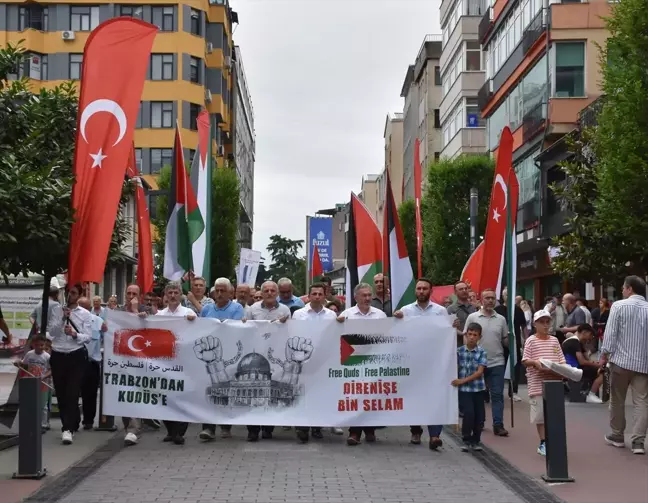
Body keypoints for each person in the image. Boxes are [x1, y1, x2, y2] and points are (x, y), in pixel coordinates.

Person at [394, 278, 447, 450]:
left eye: (425, 288)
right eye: (419, 288)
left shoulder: (440, 311)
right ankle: (415, 430)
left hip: (434, 362)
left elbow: (447, 334)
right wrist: (396, 320)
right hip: (413, 361)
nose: (422, 291)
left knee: (435, 397)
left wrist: (452, 326)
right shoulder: (405, 310)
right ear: (415, 291)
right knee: (415, 397)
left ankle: (434, 435)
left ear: (431, 291)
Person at [600, 275, 648, 455]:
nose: (622, 290)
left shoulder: (619, 306)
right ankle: (638, 442)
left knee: (617, 399)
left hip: (620, 361)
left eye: (623, 288)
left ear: (629, 289)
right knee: (642, 401)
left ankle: (617, 435)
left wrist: (604, 355)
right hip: (643, 363)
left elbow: (610, 333)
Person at [337, 283, 387, 446]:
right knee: (357, 396)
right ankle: (354, 432)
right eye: (363, 295)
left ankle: (370, 429)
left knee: (371, 395)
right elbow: (338, 337)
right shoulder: (347, 315)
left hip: (374, 361)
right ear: (355, 297)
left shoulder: (380, 315)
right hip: (354, 362)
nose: (367, 298)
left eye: (369, 295)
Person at [245, 281, 291, 442]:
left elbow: (289, 331)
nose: (270, 293)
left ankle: (268, 428)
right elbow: (246, 329)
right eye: (267, 290)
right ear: (262, 293)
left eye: (273, 290)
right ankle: (252, 429)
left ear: (277, 293)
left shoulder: (285, 310)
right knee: (254, 392)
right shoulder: (252, 309)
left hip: (276, 354)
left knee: (271, 391)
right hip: (256, 354)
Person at [199, 278, 244, 441]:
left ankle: (225, 425)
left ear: (230, 292)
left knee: (225, 390)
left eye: (222, 291)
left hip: (229, 353)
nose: (219, 294)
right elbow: (200, 327)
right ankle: (208, 428)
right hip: (210, 355)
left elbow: (235, 326)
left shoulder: (237, 308)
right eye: (216, 290)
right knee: (208, 391)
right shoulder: (206, 309)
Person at [49, 283, 92, 445]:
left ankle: (67, 429)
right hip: (59, 354)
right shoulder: (56, 310)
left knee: (72, 392)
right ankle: (69, 422)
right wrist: (62, 319)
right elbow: (52, 332)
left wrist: (74, 334)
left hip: (76, 355)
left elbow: (87, 336)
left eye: (73, 293)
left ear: (79, 295)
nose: (70, 295)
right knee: (60, 392)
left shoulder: (85, 314)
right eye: (68, 292)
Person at [293, 283, 337, 443]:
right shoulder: (299, 314)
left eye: (320, 294)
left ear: (324, 296)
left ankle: (317, 426)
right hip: (304, 361)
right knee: (304, 394)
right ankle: (302, 428)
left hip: (323, 361)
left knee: (319, 394)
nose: (317, 297)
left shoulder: (331, 316)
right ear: (309, 295)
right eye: (314, 294)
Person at [155, 281, 196, 445]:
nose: (172, 296)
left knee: (182, 396)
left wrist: (193, 322)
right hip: (165, 362)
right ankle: (171, 431)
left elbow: (197, 333)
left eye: (175, 293)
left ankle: (180, 432)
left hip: (183, 362)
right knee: (166, 396)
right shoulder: (159, 316)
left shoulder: (189, 313)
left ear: (180, 295)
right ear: (166, 295)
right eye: (170, 293)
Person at [464, 288, 509, 437]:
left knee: (497, 394)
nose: (490, 300)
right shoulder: (473, 317)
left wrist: (513, 340)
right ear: (481, 300)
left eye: (492, 298)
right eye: (487, 298)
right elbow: (467, 337)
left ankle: (498, 424)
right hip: (477, 362)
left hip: (497, 361)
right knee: (479, 395)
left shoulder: (501, 319)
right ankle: (480, 421)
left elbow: (505, 340)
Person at [522, 309, 566, 456]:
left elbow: (561, 360)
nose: (545, 325)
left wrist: (561, 369)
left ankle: (554, 441)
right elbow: (525, 360)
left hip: (554, 382)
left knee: (554, 415)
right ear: (535, 324)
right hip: (537, 384)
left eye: (548, 322)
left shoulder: (554, 340)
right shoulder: (531, 340)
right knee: (540, 416)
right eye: (542, 322)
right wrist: (535, 363)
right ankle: (543, 442)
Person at [452, 322, 487, 452]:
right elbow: (454, 367)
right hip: (465, 391)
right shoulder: (459, 351)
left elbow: (479, 372)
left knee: (479, 416)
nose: (472, 337)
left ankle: (476, 440)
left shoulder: (482, 352)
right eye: (470, 334)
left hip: (477, 389)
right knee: (469, 414)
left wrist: (462, 380)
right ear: (466, 335)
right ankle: (466, 439)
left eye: (475, 335)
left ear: (479, 337)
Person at [78, 297, 106, 430]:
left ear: (90, 308)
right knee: (72, 393)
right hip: (75, 361)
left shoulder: (98, 321)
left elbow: (107, 339)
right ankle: (72, 421)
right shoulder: (71, 320)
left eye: (85, 307)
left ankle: (88, 420)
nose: (83, 310)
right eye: (80, 306)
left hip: (92, 362)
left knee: (90, 393)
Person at [495, 287, 527, 403]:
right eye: (506, 294)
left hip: (515, 343)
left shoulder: (518, 310)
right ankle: (497, 391)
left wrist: (526, 341)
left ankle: (513, 392)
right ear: (503, 296)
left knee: (515, 367)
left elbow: (523, 327)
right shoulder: (497, 310)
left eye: (510, 294)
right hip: (500, 343)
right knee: (500, 367)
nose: (508, 297)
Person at [14, 335, 51, 429]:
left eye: (42, 345)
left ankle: (43, 423)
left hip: (42, 384)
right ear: (33, 345)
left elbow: (51, 370)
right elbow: (24, 365)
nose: (39, 347)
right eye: (36, 345)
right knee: (31, 402)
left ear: (45, 344)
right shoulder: (29, 354)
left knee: (43, 404)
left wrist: (43, 376)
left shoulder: (47, 356)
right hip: (30, 382)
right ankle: (31, 421)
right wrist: (19, 363)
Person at [562, 324, 604, 404]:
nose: (591, 338)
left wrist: (595, 364)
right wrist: (598, 365)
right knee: (604, 372)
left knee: (598, 369)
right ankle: (591, 394)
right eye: (590, 335)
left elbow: (587, 358)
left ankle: (590, 392)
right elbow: (582, 361)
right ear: (584, 332)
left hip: (574, 367)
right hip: (573, 369)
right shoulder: (573, 341)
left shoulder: (578, 342)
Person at [447, 281, 477, 347]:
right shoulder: (451, 309)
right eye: (461, 289)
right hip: (459, 345)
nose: (464, 291)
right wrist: (465, 334)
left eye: (466, 288)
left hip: (476, 345)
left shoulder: (475, 307)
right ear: (455, 292)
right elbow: (450, 328)